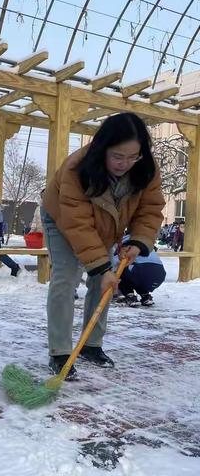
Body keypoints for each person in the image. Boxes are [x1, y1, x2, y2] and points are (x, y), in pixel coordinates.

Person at [41, 112, 165, 380]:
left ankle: (91, 344)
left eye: (133, 157)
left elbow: (150, 209)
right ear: (102, 148)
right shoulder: (77, 169)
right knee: (66, 276)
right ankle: (60, 351)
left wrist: (137, 242)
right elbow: (77, 224)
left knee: (106, 282)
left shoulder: (146, 168)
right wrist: (100, 266)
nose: (125, 163)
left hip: (107, 225)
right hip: (63, 219)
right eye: (118, 156)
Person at [113, 237, 166, 307]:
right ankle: (145, 296)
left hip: (141, 270)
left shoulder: (124, 245)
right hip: (160, 273)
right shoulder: (144, 240)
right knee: (138, 277)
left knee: (121, 270)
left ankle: (129, 295)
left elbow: (114, 263)